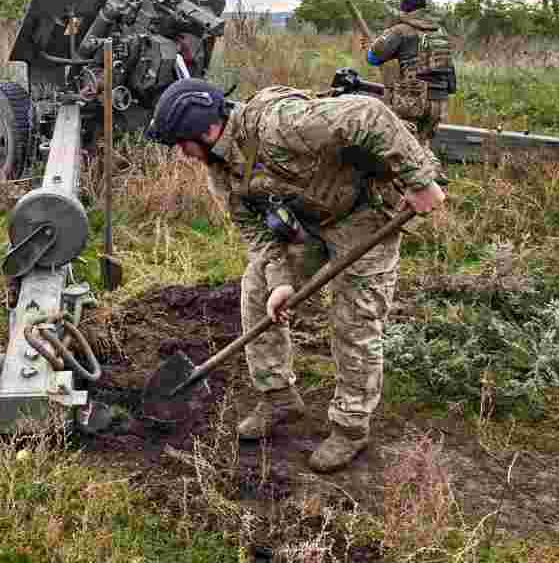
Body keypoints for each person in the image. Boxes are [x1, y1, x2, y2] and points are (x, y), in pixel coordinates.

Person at [145, 79, 446, 473]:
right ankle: (278, 397)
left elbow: (368, 115)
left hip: (363, 215)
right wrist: (281, 281)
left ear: (204, 129)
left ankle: (350, 427)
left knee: (354, 319)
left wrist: (420, 181)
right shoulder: (220, 173)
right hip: (305, 227)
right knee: (257, 290)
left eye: (180, 143)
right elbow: (256, 233)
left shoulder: (280, 124)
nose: (182, 154)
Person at [361, 0, 456, 143]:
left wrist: (370, 48)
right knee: (422, 145)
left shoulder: (400, 30)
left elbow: (374, 58)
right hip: (439, 102)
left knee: (402, 148)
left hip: (412, 100)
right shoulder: (440, 32)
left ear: (404, 10)